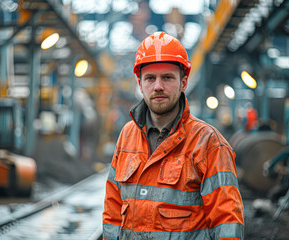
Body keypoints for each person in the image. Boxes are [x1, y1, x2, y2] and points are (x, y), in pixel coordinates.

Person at [102, 32, 244, 240]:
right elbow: (113, 211)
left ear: (183, 83)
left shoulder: (208, 143)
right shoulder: (127, 135)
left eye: (167, 77)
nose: (158, 86)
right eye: (150, 78)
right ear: (140, 84)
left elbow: (227, 222)